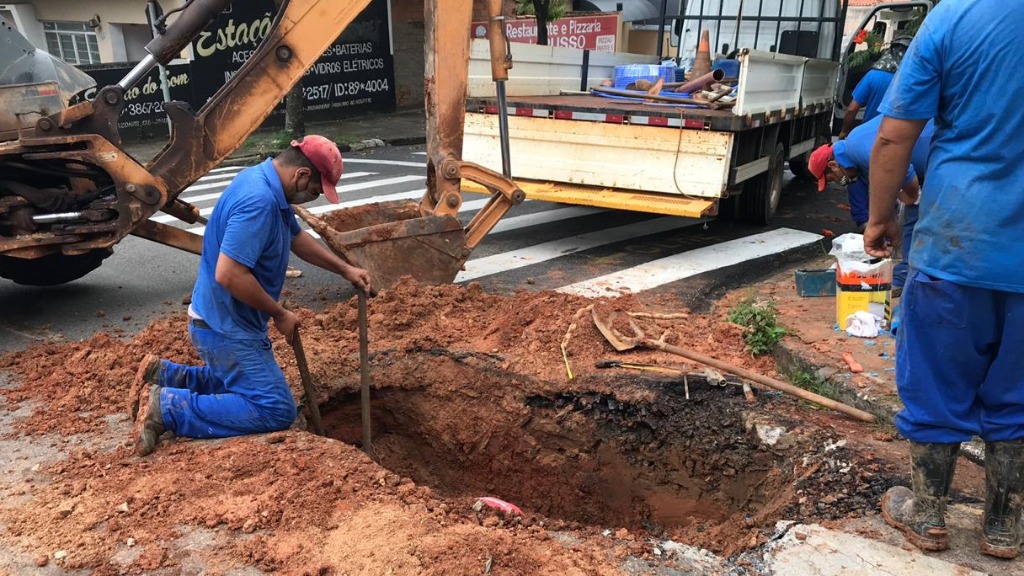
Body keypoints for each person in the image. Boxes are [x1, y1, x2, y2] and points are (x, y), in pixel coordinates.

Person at [864, 0, 1024, 559]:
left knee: (935, 381)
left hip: (960, 240)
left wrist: (881, 217)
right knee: (1019, 395)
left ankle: (929, 514)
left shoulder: (955, 16)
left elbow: (893, 138)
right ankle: (1003, 526)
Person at [129, 135, 371, 457]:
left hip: (223, 319)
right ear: (301, 175)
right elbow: (229, 274)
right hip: (225, 327)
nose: (313, 197)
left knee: (244, 383)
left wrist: (345, 269)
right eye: (315, 191)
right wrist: (279, 314)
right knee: (275, 409)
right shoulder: (259, 202)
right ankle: (168, 407)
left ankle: (167, 376)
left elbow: (296, 238)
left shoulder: (265, 182)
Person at [808, 114, 933, 290]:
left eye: (832, 179)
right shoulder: (858, 156)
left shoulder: (857, 149)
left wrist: (911, 195)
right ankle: (906, 273)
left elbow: (903, 168)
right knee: (912, 218)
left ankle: (911, 275)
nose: (838, 182)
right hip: (928, 155)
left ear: (833, 165)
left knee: (918, 215)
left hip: (935, 144)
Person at [838, 35, 912, 139]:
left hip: (869, 135)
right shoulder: (912, 80)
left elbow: (852, 109)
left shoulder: (873, 75)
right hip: (897, 138)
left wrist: (844, 131)